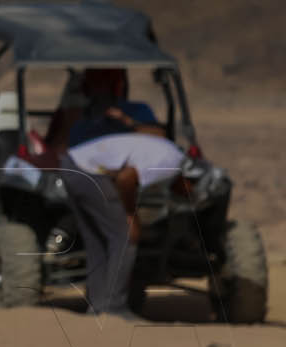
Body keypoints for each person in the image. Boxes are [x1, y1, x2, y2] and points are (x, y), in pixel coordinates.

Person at [53, 129, 193, 319]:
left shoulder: (169, 152)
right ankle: (113, 307)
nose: (186, 194)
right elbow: (125, 179)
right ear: (188, 179)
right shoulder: (171, 163)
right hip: (90, 172)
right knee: (125, 237)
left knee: (97, 241)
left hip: (72, 164)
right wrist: (129, 215)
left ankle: (97, 307)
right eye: (189, 191)